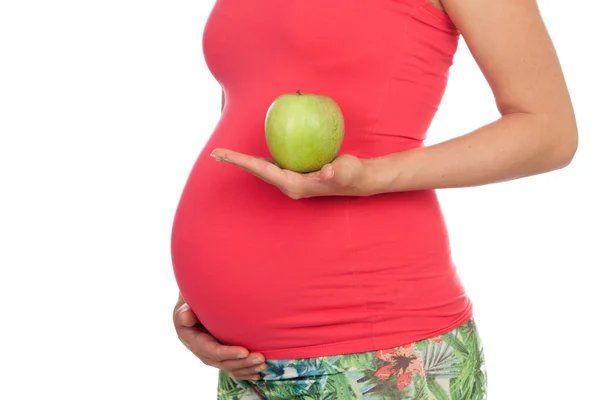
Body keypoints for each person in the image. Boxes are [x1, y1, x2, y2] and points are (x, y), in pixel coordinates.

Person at [171, 0, 578, 398]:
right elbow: (248, 106)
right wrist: (202, 301)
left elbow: (549, 132)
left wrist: (370, 176)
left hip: (373, 359)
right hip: (246, 368)